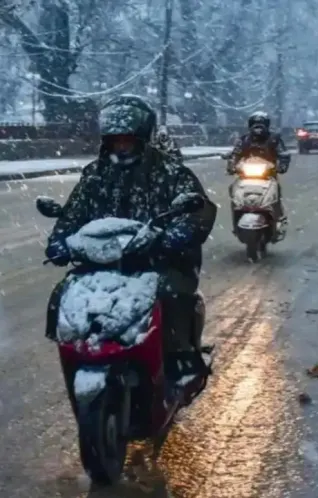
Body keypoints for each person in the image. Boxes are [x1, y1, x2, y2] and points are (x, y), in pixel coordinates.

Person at [43, 94, 217, 359]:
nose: (121, 146)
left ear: (142, 138)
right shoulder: (95, 174)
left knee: (171, 297)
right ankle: (76, 353)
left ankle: (182, 358)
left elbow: (199, 210)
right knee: (62, 294)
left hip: (158, 263)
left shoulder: (170, 172)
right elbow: (73, 213)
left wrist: (175, 236)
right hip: (101, 266)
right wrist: (59, 240)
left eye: (127, 140)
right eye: (116, 140)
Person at [226, 111, 289, 235]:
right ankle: (236, 221)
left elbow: (283, 154)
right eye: (255, 124)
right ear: (250, 125)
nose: (258, 127)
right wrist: (232, 165)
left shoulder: (274, 139)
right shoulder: (244, 140)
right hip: (245, 175)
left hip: (269, 175)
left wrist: (282, 165)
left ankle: (278, 217)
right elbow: (235, 154)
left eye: (261, 123)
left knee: (276, 192)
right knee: (232, 190)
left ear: (267, 125)